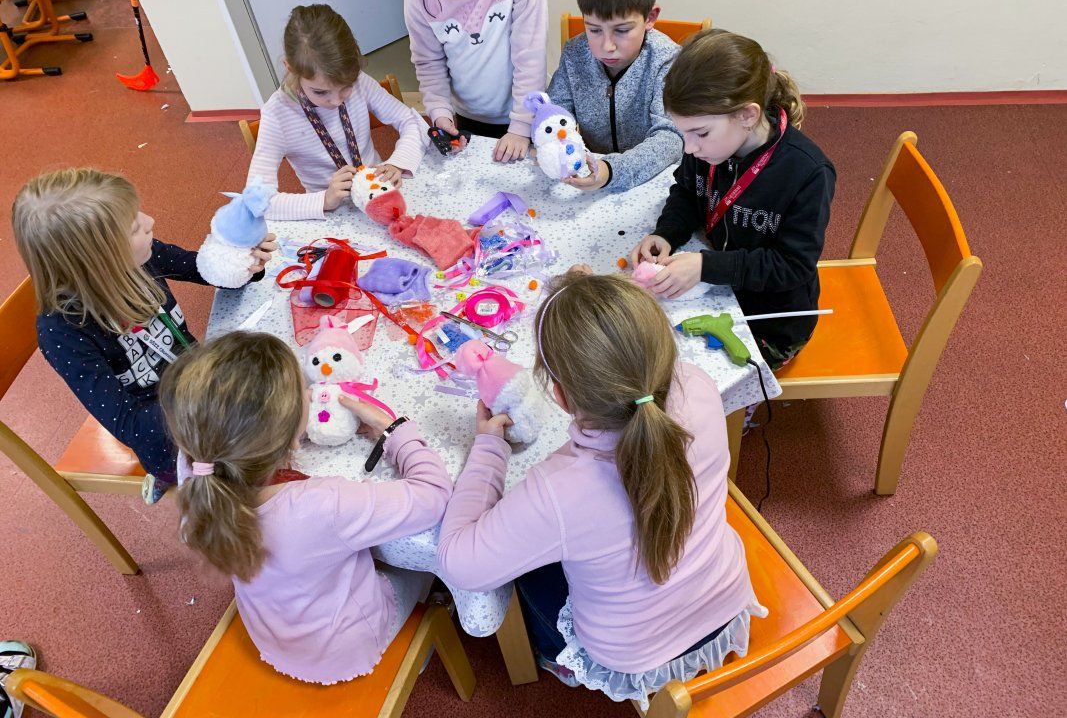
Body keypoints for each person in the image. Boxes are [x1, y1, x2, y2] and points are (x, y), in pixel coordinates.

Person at [436, 272, 764, 707]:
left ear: (561, 397)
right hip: (725, 597)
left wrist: (489, 449)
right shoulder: (697, 384)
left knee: (525, 569)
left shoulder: (557, 491)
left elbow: (459, 563)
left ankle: (554, 657)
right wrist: (606, 319)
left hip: (636, 654)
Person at [160, 331, 451, 684]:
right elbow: (434, 494)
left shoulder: (196, 465)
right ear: (293, 434)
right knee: (428, 567)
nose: (312, 394)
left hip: (272, 635)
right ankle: (420, 646)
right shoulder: (322, 503)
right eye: (305, 392)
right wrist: (393, 429)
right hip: (344, 649)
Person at [10, 168, 275, 503]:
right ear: (97, 259)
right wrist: (213, 395)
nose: (150, 221)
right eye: (134, 227)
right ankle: (169, 479)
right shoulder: (62, 333)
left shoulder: (140, 258)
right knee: (268, 468)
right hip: (172, 435)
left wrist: (243, 262)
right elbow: (130, 425)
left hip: (205, 382)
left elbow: (208, 272)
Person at [632, 28, 836, 369]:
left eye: (699, 133)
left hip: (770, 321)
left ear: (747, 116)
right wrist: (667, 233)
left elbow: (792, 265)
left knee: (680, 373)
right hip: (718, 289)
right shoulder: (710, 146)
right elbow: (687, 192)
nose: (688, 147)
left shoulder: (807, 172)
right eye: (683, 133)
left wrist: (706, 267)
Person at [247, 4, 429, 220]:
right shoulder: (277, 115)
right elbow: (256, 201)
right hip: (334, 213)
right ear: (291, 68)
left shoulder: (360, 82)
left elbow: (411, 120)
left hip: (381, 194)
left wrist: (397, 162)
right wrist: (324, 199)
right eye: (320, 92)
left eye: (345, 87)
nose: (336, 100)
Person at [404, 0, 548, 162]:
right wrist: (440, 113)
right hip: (469, 115)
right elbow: (428, 63)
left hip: (527, 112)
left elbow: (530, 54)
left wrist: (522, 126)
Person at [546, 0, 682, 192]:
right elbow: (555, 113)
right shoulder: (575, 54)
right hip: (590, 178)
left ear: (650, 18)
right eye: (594, 30)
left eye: (622, 30)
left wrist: (611, 170)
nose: (607, 46)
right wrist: (550, 143)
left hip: (650, 182)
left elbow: (670, 139)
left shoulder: (667, 60)